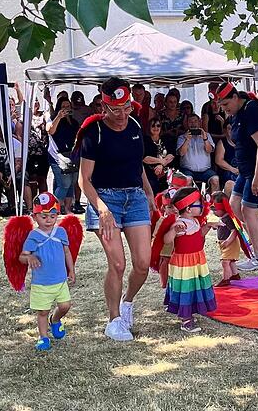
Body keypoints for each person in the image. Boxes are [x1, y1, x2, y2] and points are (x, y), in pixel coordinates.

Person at [78, 77, 155, 341]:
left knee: (143, 263)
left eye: (127, 108)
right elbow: (83, 179)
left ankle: (127, 302)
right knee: (118, 264)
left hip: (134, 197)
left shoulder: (134, 125)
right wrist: (101, 208)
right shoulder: (93, 132)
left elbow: (137, 163)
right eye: (116, 110)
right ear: (104, 106)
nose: (123, 115)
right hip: (105, 199)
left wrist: (147, 191)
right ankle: (113, 320)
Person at [216, 82, 258, 271]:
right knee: (234, 205)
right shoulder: (238, 112)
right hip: (246, 169)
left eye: (226, 105)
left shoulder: (252, 110)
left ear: (236, 98)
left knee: (248, 210)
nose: (225, 110)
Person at [18, 192, 76, 351]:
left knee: (65, 305)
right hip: (42, 283)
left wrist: (71, 270)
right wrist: (29, 259)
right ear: (34, 216)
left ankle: (55, 319)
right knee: (42, 311)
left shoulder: (61, 232)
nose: (48, 220)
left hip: (60, 280)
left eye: (52, 215)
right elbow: (22, 257)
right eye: (43, 216)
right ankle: (43, 337)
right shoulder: (33, 236)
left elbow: (67, 252)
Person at [163, 187, 218, 333]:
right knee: (186, 288)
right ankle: (186, 320)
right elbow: (167, 240)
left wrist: (208, 226)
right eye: (199, 203)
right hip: (184, 264)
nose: (202, 205)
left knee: (194, 286)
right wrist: (173, 231)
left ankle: (191, 311)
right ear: (188, 208)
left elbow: (199, 236)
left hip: (197, 260)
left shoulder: (194, 220)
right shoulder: (180, 223)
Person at [0, 116, 30, 215]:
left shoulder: (17, 144)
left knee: (23, 177)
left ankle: (30, 209)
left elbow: (19, 163)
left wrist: (11, 175)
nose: (4, 133)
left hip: (13, 171)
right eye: (2, 130)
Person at [47, 97, 80, 213]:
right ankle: (54, 208)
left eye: (68, 106)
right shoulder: (53, 119)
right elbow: (50, 131)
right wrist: (59, 117)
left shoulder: (73, 121)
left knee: (71, 183)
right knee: (64, 184)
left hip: (71, 155)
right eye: (63, 107)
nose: (66, 109)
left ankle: (67, 208)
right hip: (57, 156)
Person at [177, 113, 219, 193]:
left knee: (215, 180)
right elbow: (181, 153)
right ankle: (189, 204)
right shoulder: (182, 137)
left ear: (199, 122)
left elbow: (209, 150)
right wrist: (187, 140)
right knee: (187, 180)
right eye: (190, 122)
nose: (193, 124)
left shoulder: (207, 135)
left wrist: (205, 139)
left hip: (205, 170)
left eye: (195, 121)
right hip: (188, 170)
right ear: (187, 123)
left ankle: (214, 204)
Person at [211, 192, 241, 287]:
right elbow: (224, 227)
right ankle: (235, 275)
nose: (213, 212)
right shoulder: (223, 217)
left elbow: (234, 231)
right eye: (212, 209)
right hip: (225, 242)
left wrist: (228, 241)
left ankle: (226, 279)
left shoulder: (228, 218)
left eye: (215, 209)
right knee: (230, 261)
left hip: (230, 243)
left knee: (225, 262)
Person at [143, 119, 175, 194]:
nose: (156, 128)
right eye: (153, 126)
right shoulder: (145, 140)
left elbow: (171, 155)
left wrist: (161, 165)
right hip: (150, 172)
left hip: (167, 171)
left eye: (158, 125)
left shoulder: (166, 138)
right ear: (149, 128)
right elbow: (145, 158)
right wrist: (161, 161)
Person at [27, 101, 50, 196]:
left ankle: (44, 201)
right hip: (30, 153)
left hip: (43, 152)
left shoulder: (44, 115)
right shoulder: (25, 116)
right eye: (33, 102)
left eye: (37, 102)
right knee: (32, 178)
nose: (36, 104)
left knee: (42, 178)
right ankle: (33, 203)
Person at [215, 120, 239, 194]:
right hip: (228, 171)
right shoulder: (222, 142)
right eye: (229, 128)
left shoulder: (243, 142)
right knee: (230, 184)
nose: (232, 131)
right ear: (225, 130)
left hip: (242, 171)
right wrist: (232, 169)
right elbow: (218, 160)